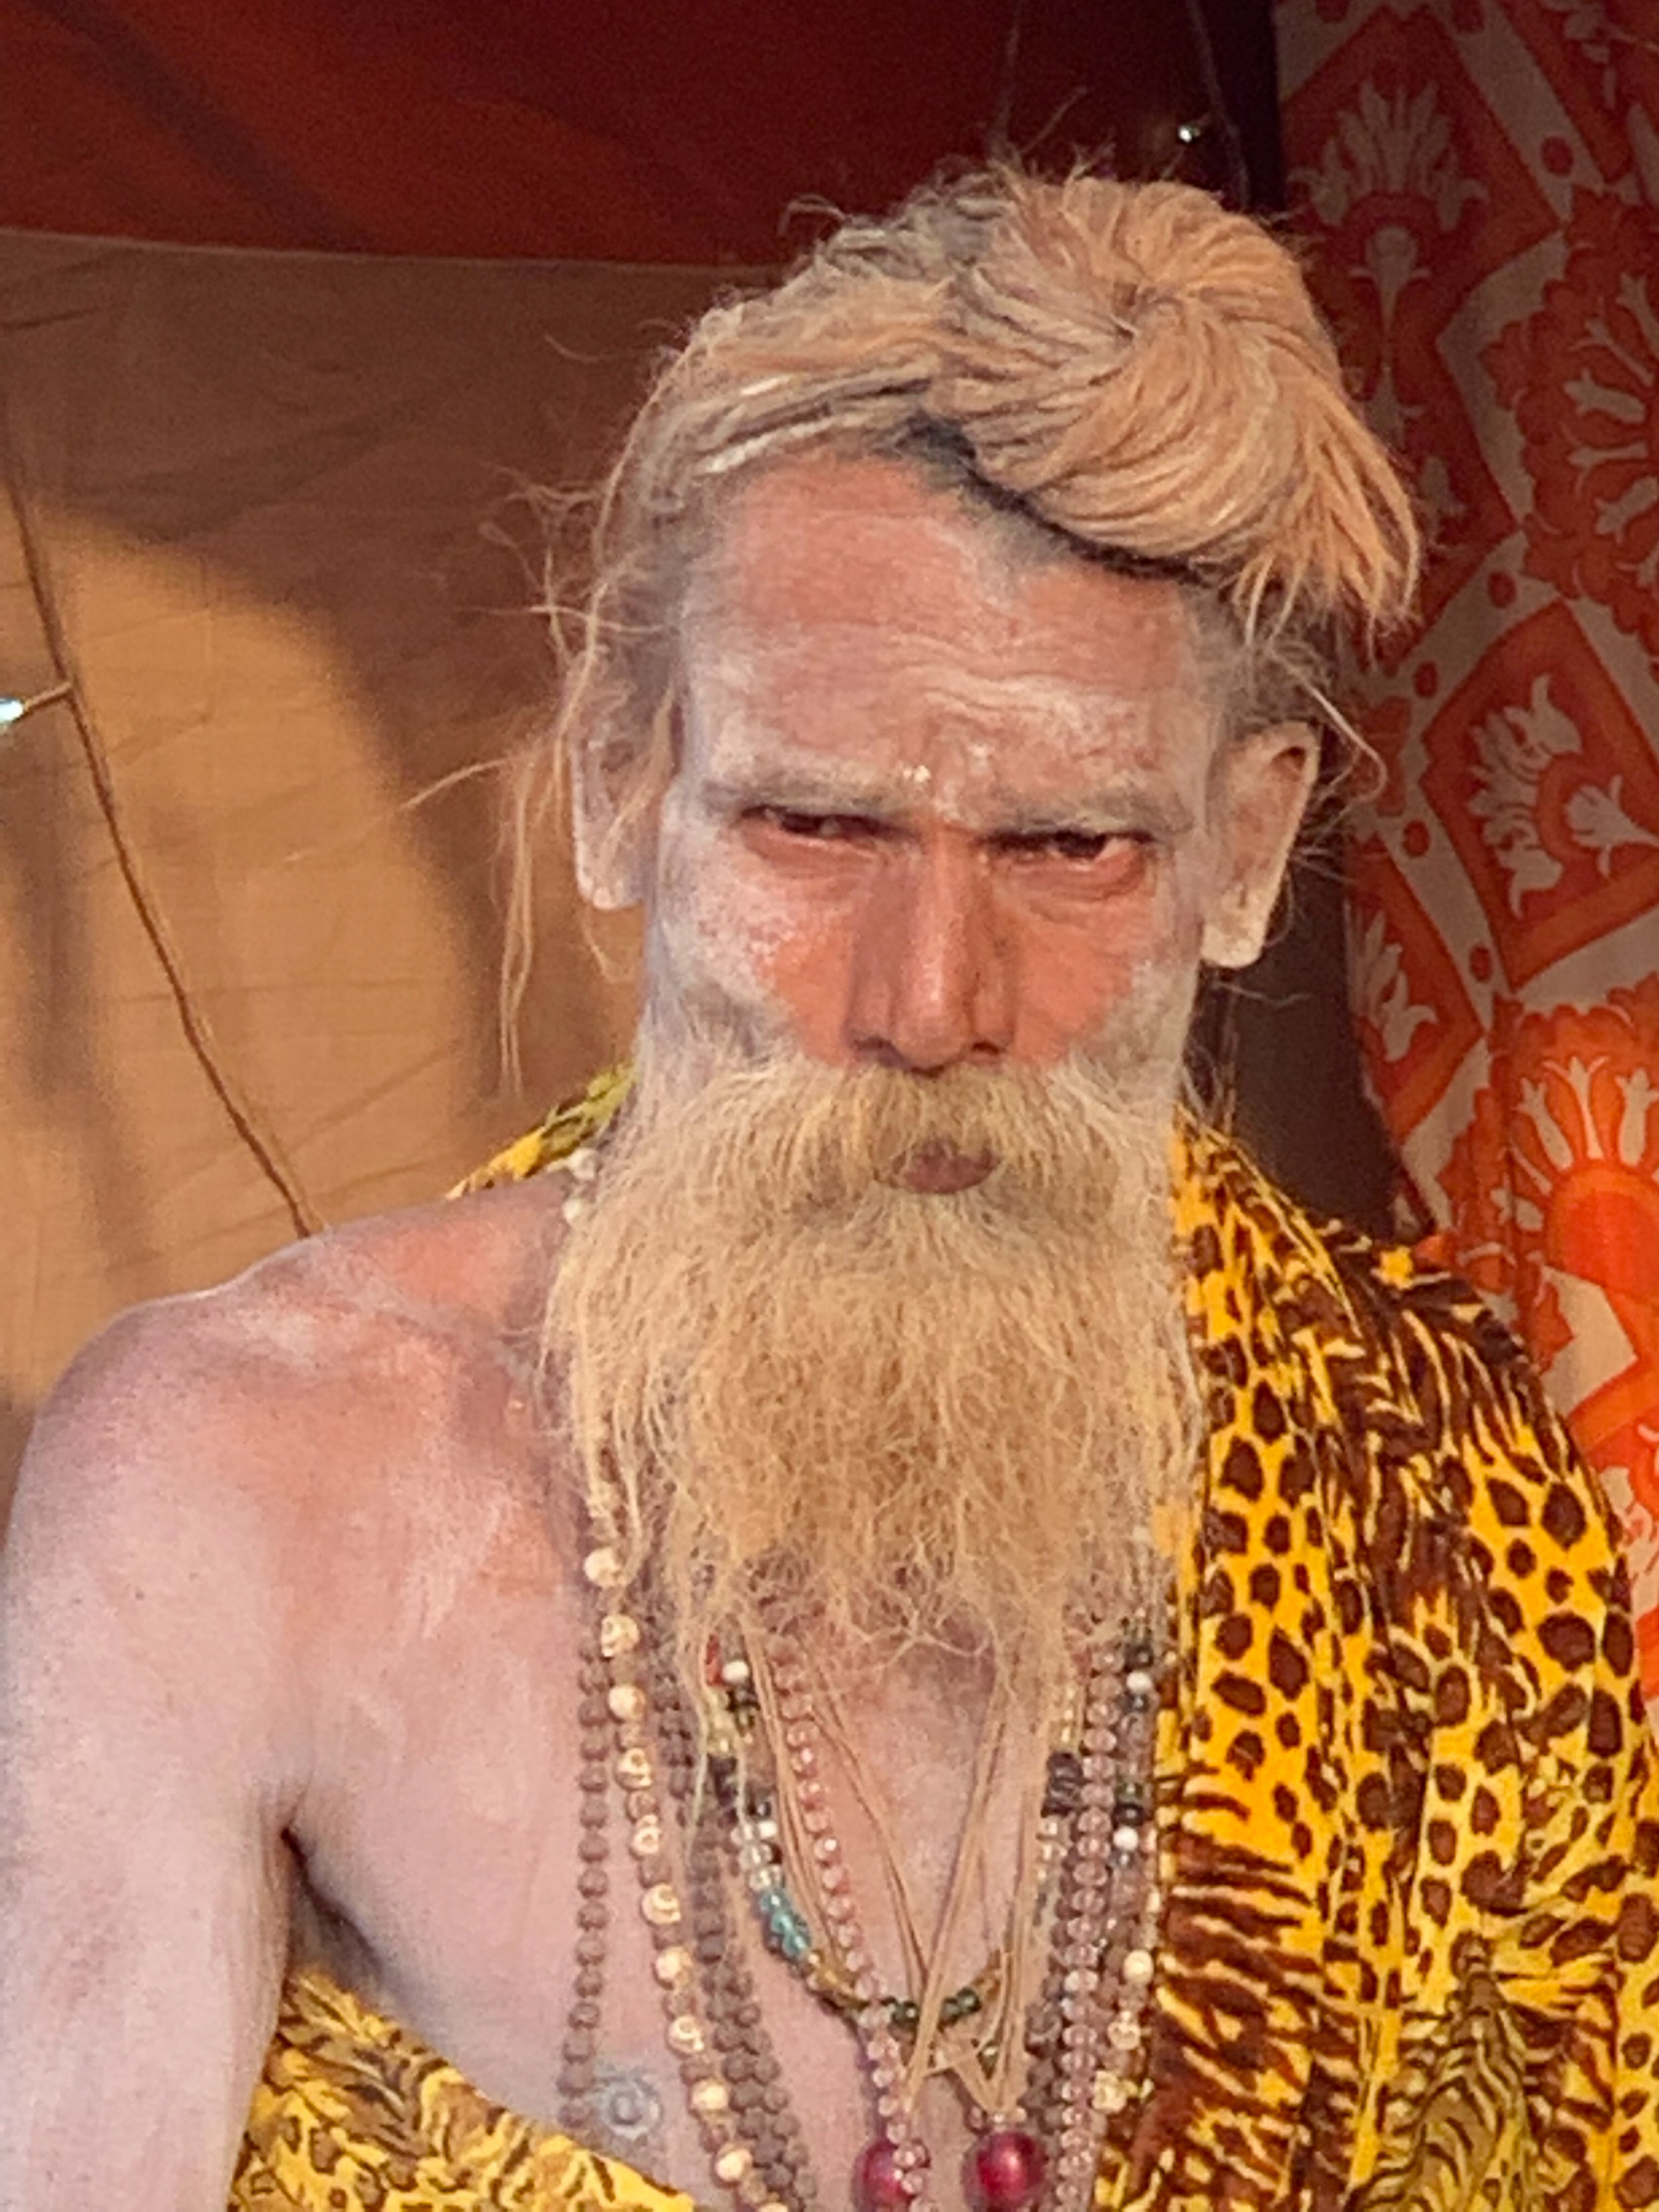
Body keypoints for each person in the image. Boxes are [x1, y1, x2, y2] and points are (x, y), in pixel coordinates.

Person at [3, 167, 1658, 2212]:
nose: (928, 1001)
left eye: (1068, 851)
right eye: (812, 824)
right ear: (619, 775)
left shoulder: (1418, 1469)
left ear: (1243, 850)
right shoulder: (247, 1480)